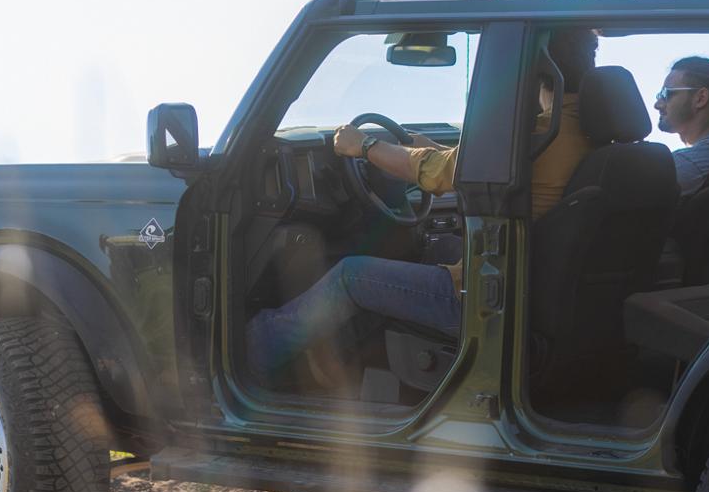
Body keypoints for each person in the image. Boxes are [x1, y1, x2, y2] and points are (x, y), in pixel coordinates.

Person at [244, 28, 597, 389]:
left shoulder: (535, 135)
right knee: (427, 249)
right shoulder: (588, 133)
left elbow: (436, 173)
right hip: (530, 286)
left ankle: (251, 354)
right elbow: (459, 167)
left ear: (536, 69)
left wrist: (363, 146)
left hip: (481, 298)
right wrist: (427, 151)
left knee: (350, 276)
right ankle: (337, 359)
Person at [653, 56, 709, 195]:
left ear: (701, 98)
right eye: (659, 95)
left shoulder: (697, 161)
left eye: (666, 94)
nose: (657, 105)